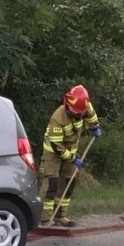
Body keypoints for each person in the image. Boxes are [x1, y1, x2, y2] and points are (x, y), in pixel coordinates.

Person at [39, 84, 101, 228]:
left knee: (68, 182)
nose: (79, 115)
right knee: (51, 184)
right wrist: (74, 159)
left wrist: (95, 127)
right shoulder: (58, 118)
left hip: (70, 150)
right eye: (76, 113)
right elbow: (57, 147)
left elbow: (91, 115)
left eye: (81, 113)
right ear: (68, 105)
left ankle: (61, 216)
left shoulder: (83, 107)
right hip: (53, 153)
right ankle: (45, 219)